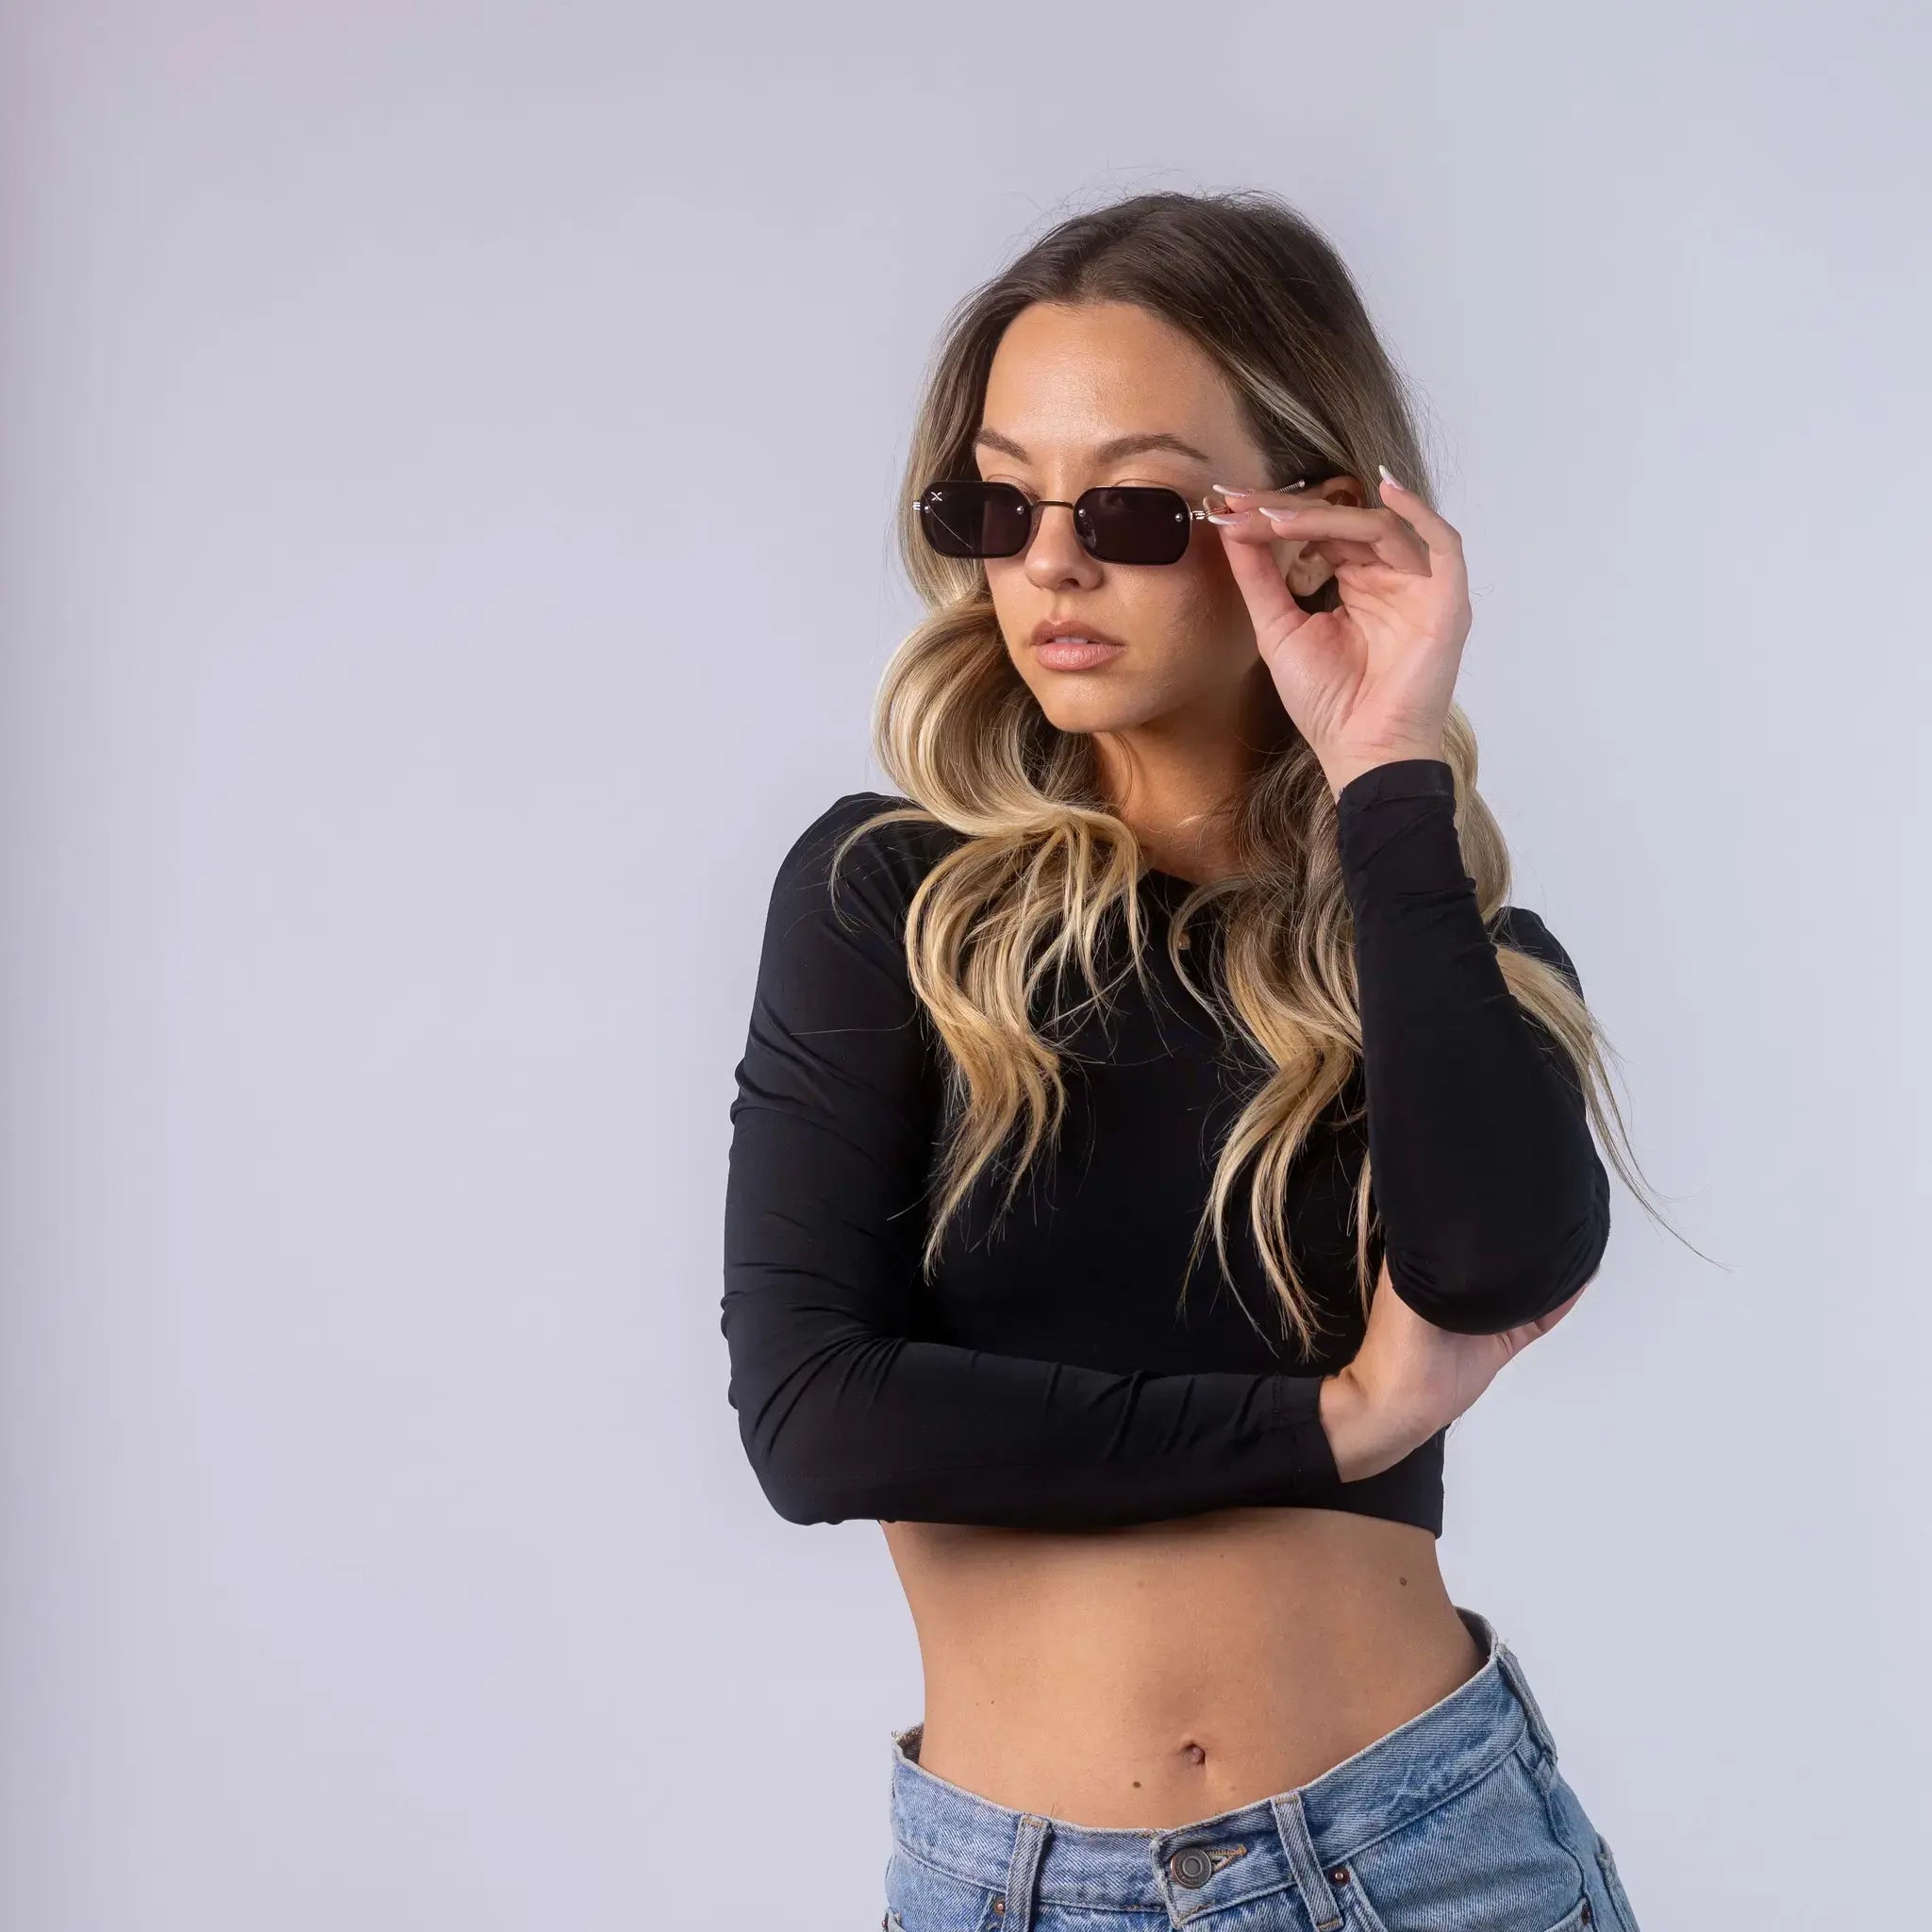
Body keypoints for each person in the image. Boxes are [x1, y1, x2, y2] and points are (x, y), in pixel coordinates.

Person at [721, 189, 1656, 1932]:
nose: (1050, 563)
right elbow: (819, 1421)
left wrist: (1384, 768)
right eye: (998, 500)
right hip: (1018, 1888)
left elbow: (1502, 1263)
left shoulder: (1440, 956)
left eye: (1135, 505)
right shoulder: (894, 901)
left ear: (1306, 524)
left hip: (1430, 1858)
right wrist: (1340, 1420)